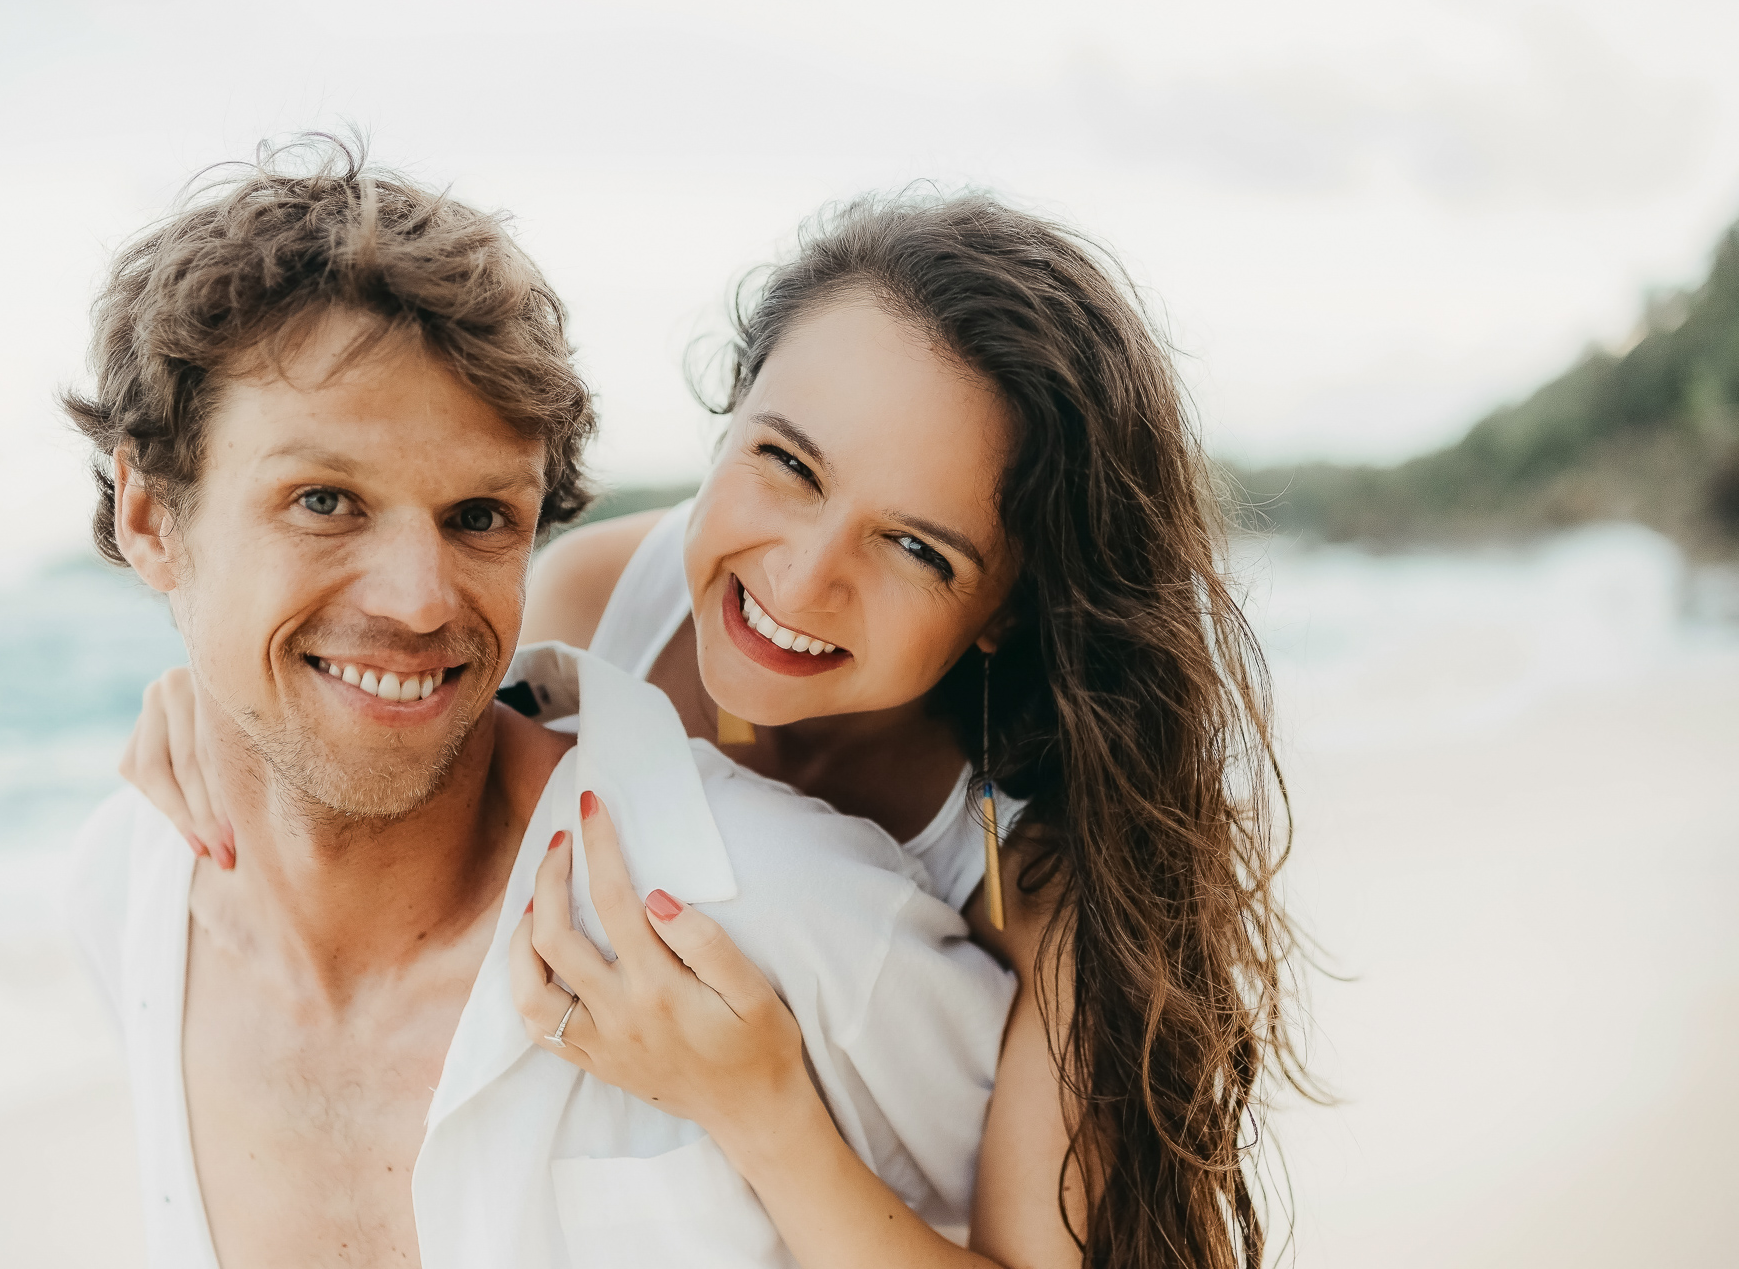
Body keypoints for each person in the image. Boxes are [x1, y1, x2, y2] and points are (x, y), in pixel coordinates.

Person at [129, 191, 1306, 1267]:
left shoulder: (1043, 865)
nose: (800, 578)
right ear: (728, 421)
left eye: (915, 546)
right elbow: (392, 681)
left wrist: (759, 1102)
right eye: (786, 463)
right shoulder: (596, 602)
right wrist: (222, 698)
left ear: (1004, 605)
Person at [66, 140, 1014, 1269]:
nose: (420, 602)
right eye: (324, 499)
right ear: (149, 518)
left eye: (478, 518)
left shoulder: (787, 920)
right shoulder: (125, 887)